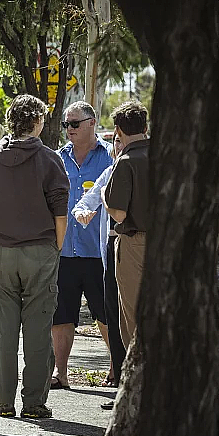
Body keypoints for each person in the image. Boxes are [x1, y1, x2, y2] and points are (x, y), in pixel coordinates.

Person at [0, 94, 69, 419]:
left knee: (3, 327)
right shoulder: (49, 159)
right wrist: (56, 246)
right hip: (41, 250)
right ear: (39, 122)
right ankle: (34, 404)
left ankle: (2, 401)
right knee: (38, 327)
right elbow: (60, 211)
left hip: (2, 250)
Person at [52, 101, 113, 390]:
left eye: (74, 123)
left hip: (97, 252)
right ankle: (60, 373)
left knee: (105, 314)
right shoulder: (57, 158)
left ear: (92, 122)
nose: (69, 129)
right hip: (64, 251)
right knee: (61, 315)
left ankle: (116, 368)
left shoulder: (110, 157)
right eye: (66, 124)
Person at [72, 134, 127, 408]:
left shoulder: (145, 167)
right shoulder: (110, 172)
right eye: (115, 142)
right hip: (110, 252)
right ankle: (120, 381)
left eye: (121, 141)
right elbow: (88, 200)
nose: (118, 147)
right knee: (113, 317)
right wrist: (81, 211)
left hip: (134, 248)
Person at [102, 101, 150, 349]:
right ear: (146, 125)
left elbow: (119, 214)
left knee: (132, 316)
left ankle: (141, 379)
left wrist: (102, 196)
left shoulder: (126, 160)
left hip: (134, 243)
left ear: (118, 129)